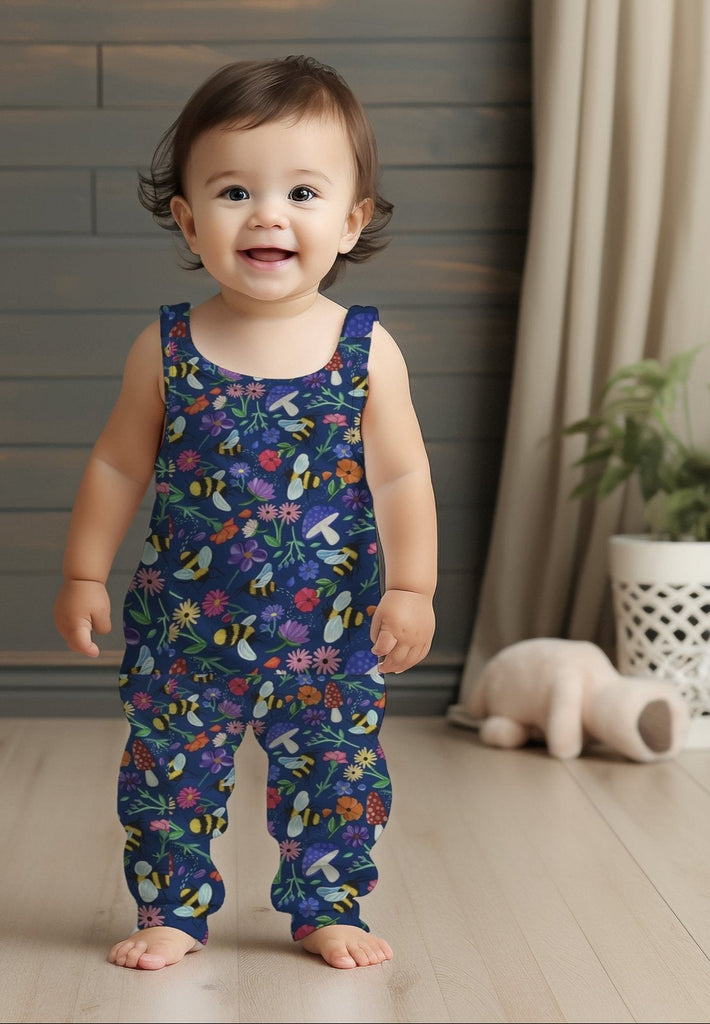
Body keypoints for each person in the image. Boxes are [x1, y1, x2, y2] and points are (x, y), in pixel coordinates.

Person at [54, 55, 437, 972]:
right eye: (234, 191)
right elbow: (117, 463)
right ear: (190, 220)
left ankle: (328, 906)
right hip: (186, 631)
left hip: (329, 633)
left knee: (334, 774)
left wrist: (413, 587)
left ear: (351, 221)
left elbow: (400, 478)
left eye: (302, 192)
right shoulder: (166, 347)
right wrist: (82, 571)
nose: (267, 214)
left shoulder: (365, 350)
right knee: (170, 775)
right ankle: (171, 910)